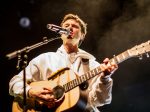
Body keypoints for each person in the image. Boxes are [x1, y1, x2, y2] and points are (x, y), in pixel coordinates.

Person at [9, 13, 118, 112]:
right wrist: (30, 91)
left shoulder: (93, 65)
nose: (70, 27)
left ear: (82, 35)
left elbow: (100, 101)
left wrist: (105, 78)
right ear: (61, 33)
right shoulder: (45, 59)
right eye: (66, 26)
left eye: (75, 26)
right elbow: (15, 83)